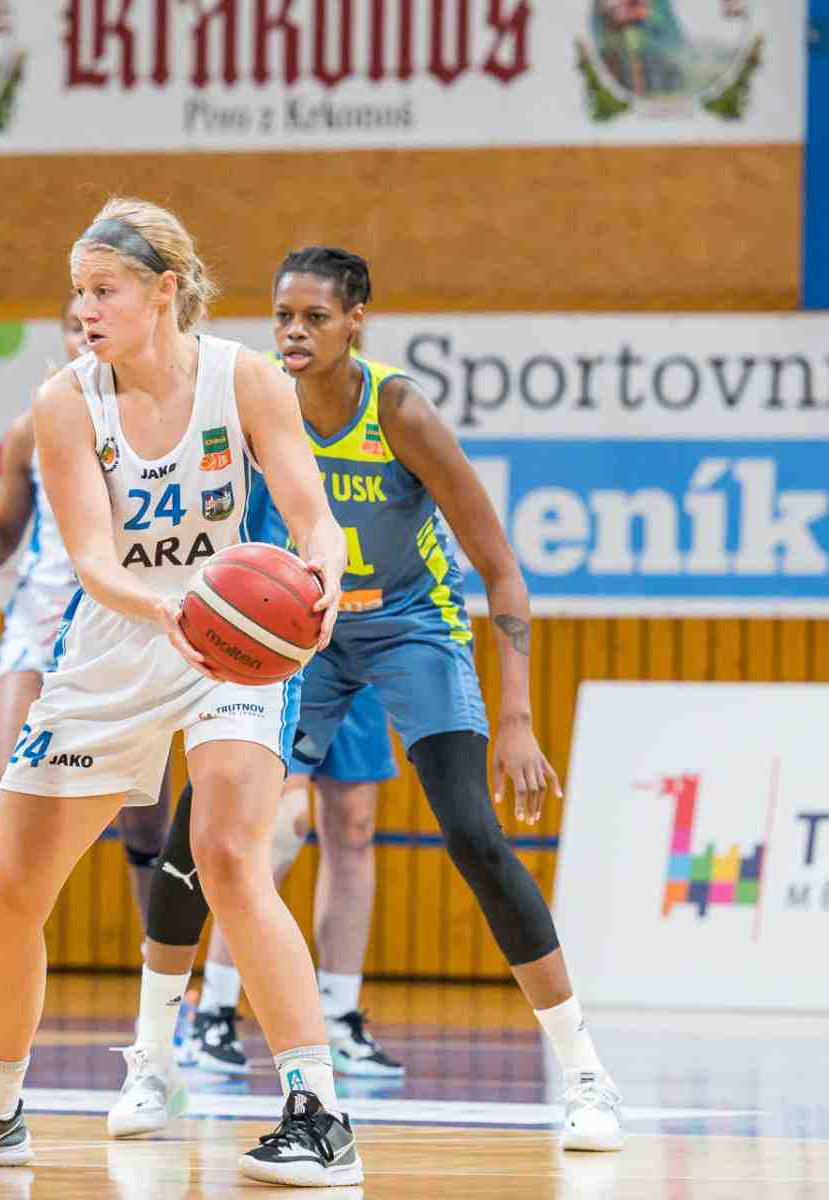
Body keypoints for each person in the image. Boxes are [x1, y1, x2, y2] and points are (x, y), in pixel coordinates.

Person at [0, 199, 363, 1188]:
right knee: (7, 891)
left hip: (233, 646)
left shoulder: (244, 377)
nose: (85, 308)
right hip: (121, 638)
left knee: (231, 856)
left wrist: (322, 579)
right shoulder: (64, 402)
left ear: (163, 291)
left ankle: (317, 1113)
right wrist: (166, 607)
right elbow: (93, 563)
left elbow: (313, 513)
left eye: (104, 290)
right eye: (78, 291)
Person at [128, 246, 625, 1152]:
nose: (294, 333)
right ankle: (154, 1061)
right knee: (202, 828)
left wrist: (516, 719)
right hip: (299, 632)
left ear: (356, 320)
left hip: (409, 623)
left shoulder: (399, 411)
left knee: (473, 836)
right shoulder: (255, 397)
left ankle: (587, 1074)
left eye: (315, 317)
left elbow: (502, 569)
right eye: (283, 316)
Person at [0, 293, 171, 1067]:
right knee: (10, 805)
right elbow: (8, 527)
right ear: (63, 335)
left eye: (97, 317)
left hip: (126, 634)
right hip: (40, 631)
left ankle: (164, 1011)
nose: (86, 331)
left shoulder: (157, 420)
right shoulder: (31, 427)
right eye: (74, 323)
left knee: (147, 826)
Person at [176, 684, 402, 1078]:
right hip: (290, 665)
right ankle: (215, 1010)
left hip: (356, 659)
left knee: (355, 826)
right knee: (282, 826)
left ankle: (339, 1014)